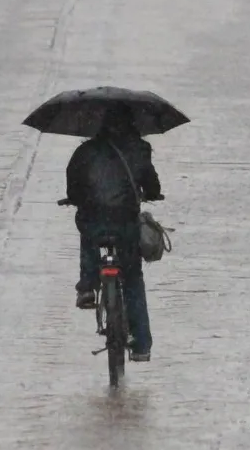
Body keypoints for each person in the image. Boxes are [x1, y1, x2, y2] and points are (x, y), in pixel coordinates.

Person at [64, 104, 162, 362]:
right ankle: (141, 346)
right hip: (126, 225)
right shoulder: (140, 149)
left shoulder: (85, 151)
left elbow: (73, 187)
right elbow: (152, 185)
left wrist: (76, 198)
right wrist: (151, 193)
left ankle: (87, 286)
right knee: (132, 278)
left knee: (87, 230)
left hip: (95, 222)